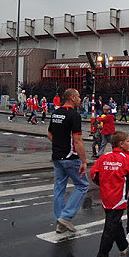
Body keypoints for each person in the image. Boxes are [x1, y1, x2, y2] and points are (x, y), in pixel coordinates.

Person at [90, 131, 129, 257]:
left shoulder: (104, 157)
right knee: (110, 227)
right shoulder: (126, 159)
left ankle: (123, 246)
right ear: (121, 144)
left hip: (106, 197)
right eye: (128, 141)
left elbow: (94, 174)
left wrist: (102, 184)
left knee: (115, 221)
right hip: (119, 198)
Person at [47, 88, 89, 234]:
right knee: (82, 185)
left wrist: (59, 144)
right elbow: (77, 140)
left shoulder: (56, 113)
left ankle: (59, 220)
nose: (80, 99)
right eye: (78, 97)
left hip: (57, 156)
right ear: (71, 98)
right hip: (70, 157)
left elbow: (49, 134)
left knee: (59, 188)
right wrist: (84, 161)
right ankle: (66, 216)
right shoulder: (74, 116)